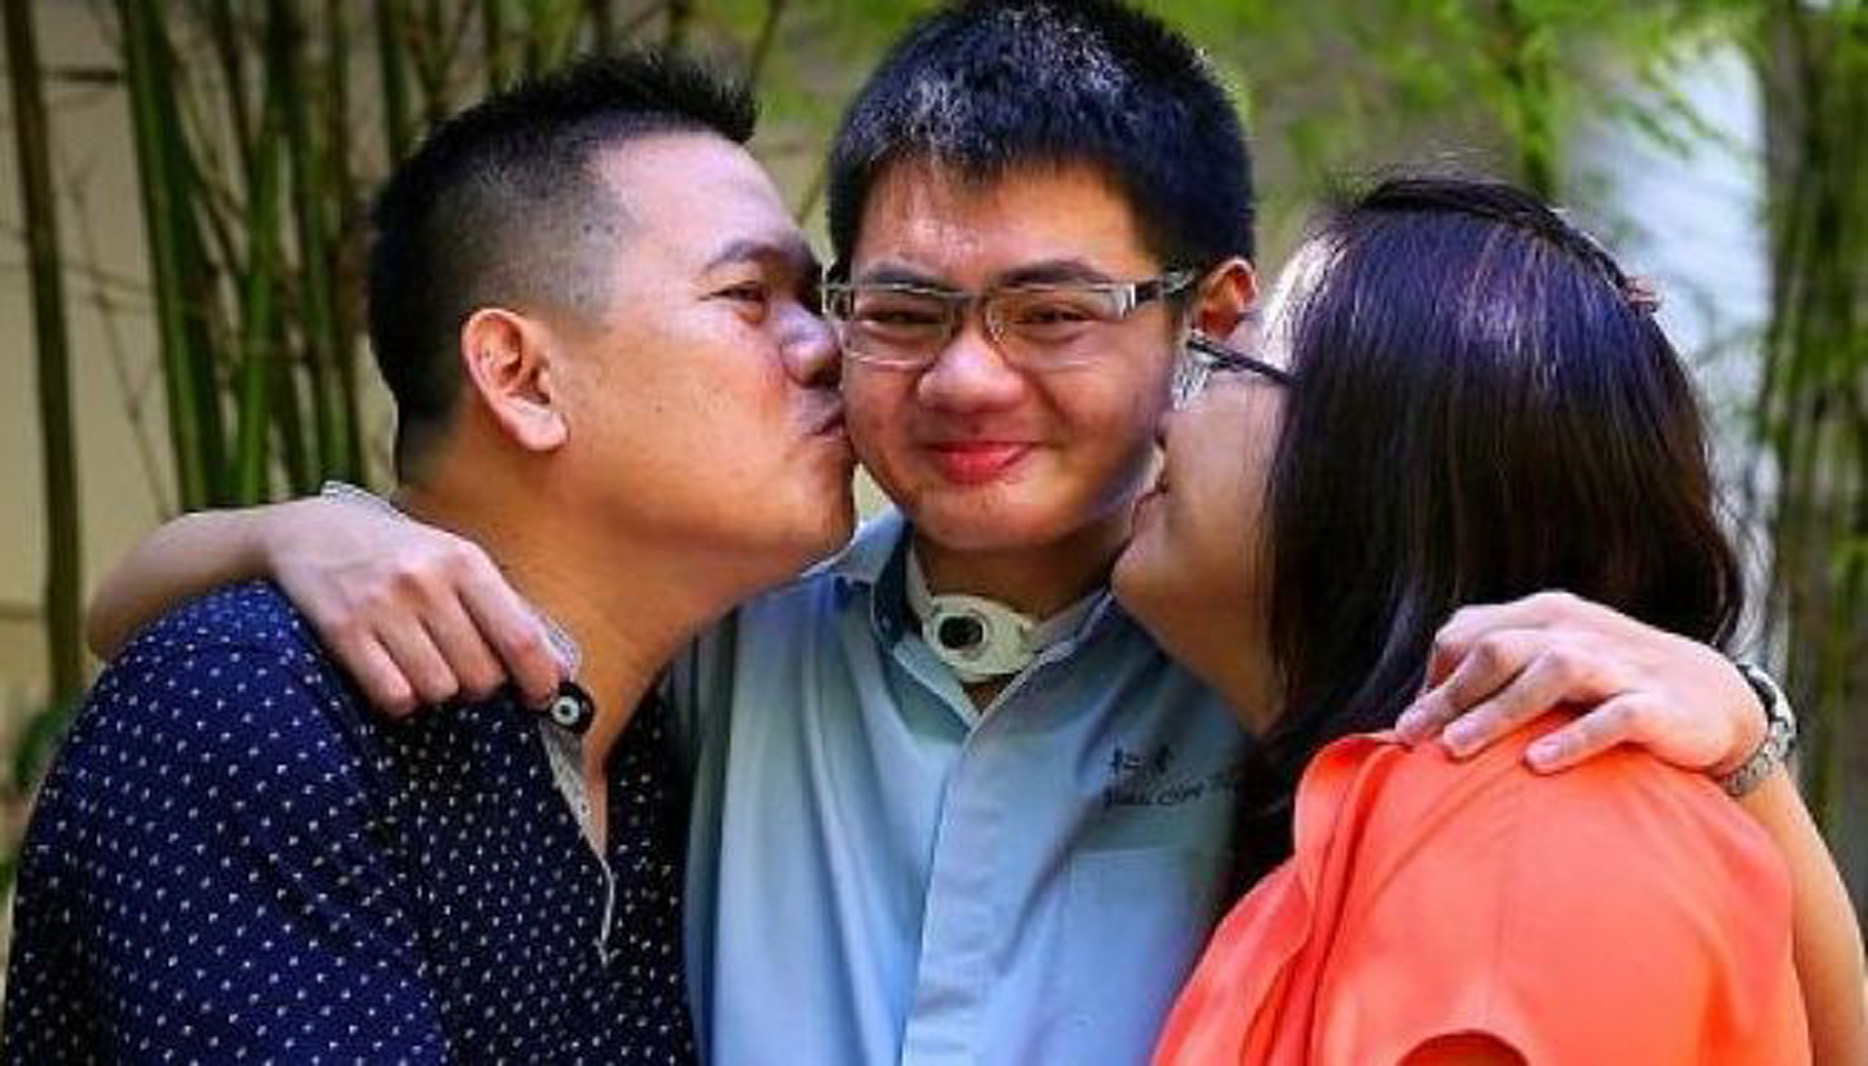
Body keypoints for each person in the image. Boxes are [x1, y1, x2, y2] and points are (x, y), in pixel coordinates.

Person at [76, 3, 1841, 1063]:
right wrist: (294, 533)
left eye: (1055, 315)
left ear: (1205, 319)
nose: (965, 383)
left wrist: (1740, 735)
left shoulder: (1298, 717)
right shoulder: (724, 639)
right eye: (899, 312)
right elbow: (177, 646)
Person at [3, 50, 851, 1062]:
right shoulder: (254, 706)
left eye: (818, 298)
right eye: (749, 295)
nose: (826, 348)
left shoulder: (679, 730)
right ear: (520, 376)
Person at [1117, 177, 1867, 1064]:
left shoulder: (1531, 840)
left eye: (1228, 362)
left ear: (1383, 462)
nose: (1163, 416)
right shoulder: (1410, 822)